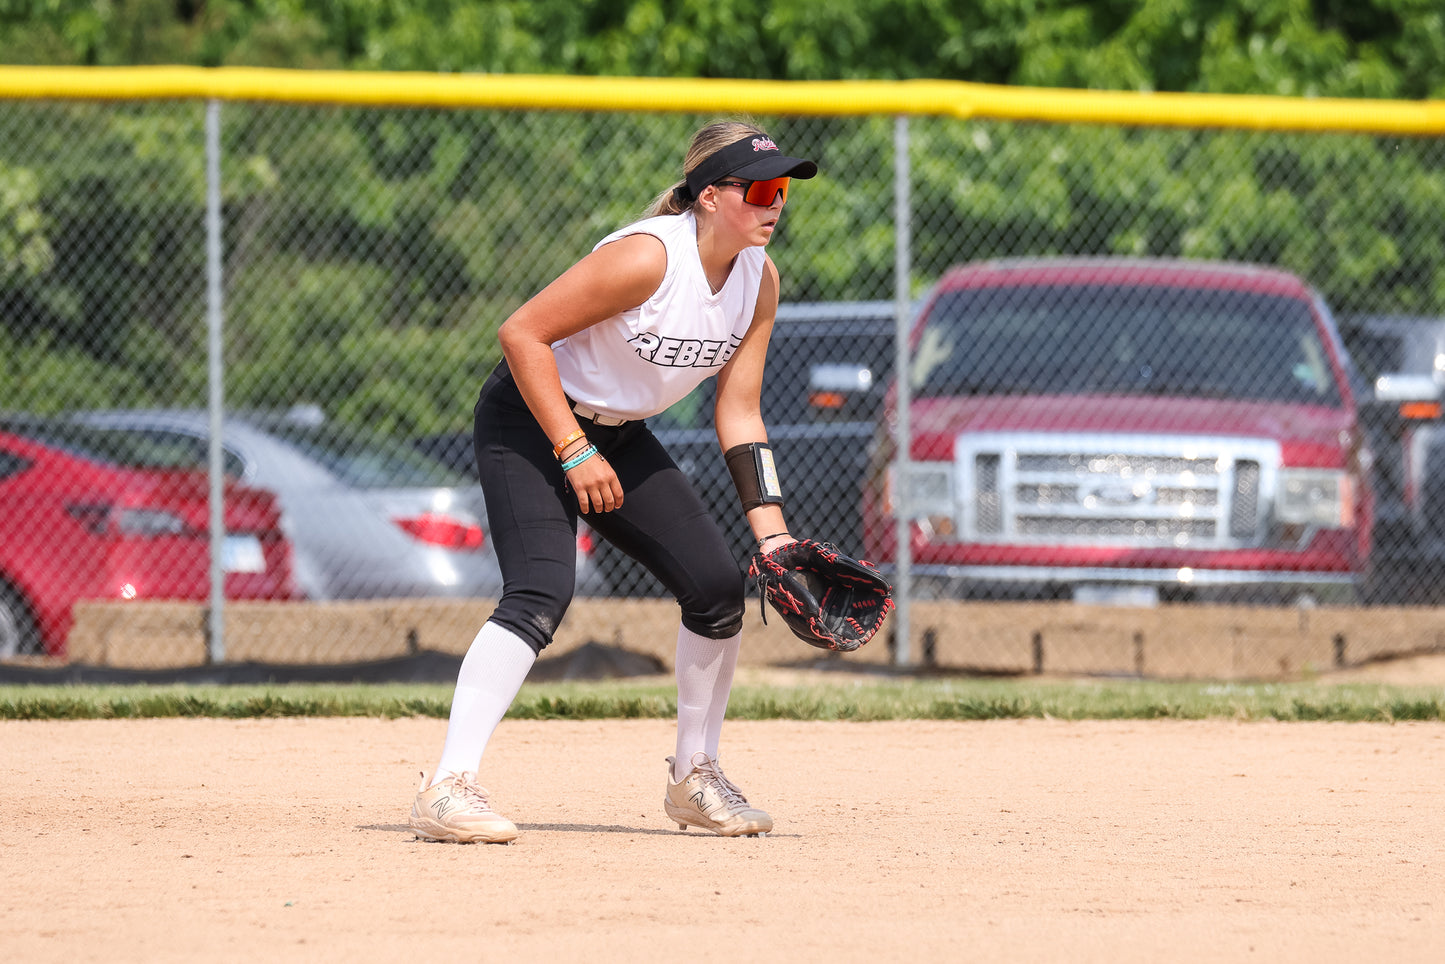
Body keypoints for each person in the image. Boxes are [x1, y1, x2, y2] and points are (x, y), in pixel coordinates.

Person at [408, 119, 818, 843]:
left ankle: (694, 775)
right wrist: (571, 449)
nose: (773, 202)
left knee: (719, 589)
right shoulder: (647, 260)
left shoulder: (758, 278)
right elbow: (521, 333)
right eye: (758, 188)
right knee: (540, 592)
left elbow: (741, 410)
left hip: (620, 436)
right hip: (531, 422)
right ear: (709, 195)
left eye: (781, 189)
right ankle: (447, 786)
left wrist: (773, 533)